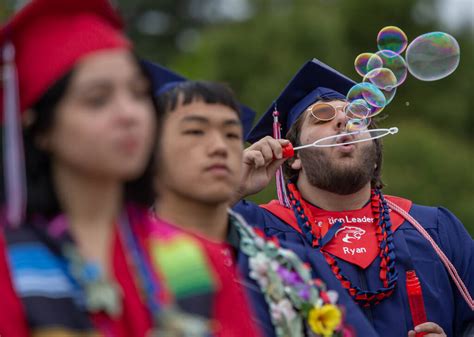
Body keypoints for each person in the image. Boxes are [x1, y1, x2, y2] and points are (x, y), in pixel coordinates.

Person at [0, 1, 260, 336]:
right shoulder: (10, 266)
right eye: (98, 99)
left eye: (138, 94)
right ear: (40, 128)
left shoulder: (197, 261)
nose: (129, 114)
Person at [233, 59, 474, 337]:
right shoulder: (254, 231)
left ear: (374, 154)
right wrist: (231, 189)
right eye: (322, 115)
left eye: (356, 115)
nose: (343, 120)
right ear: (294, 154)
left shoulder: (435, 229)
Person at [145, 60, 381, 337]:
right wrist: (231, 191)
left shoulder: (292, 264)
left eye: (232, 134)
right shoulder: (251, 228)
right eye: (195, 131)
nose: (220, 146)